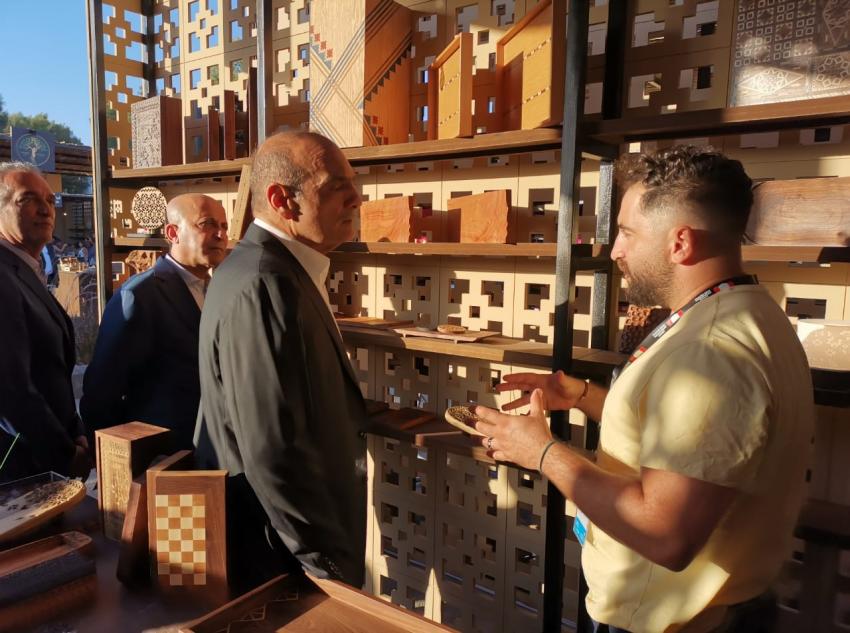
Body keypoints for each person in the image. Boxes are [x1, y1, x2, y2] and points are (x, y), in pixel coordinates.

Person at [474, 146, 814, 633]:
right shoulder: (751, 313)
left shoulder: (710, 352)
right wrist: (582, 396)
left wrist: (542, 452)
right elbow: (692, 445)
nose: (615, 251)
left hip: (674, 623)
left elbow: (666, 533)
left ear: (680, 243)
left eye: (628, 233)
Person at [194, 131, 368, 591]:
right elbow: (273, 451)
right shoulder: (264, 283)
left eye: (354, 184)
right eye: (336, 187)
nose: (356, 199)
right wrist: (327, 567)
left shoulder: (275, 270)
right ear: (282, 201)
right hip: (282, 561)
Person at [81, 194, 228, 450]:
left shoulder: (220, 290)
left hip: (217, 447)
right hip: (165, 454)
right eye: (207, 224)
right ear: (173, 232)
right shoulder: (139, 295)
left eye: (224, 226)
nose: (220, 234)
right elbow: (102, 391)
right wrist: (122, 459)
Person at [0, 162, 91, 482]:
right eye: (28, 199)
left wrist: (75, 431)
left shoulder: (26, 268)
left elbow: (51, 371)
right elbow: (10, 390)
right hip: (20, 471)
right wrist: (64, 454)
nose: (45, 210)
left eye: (50, 200)